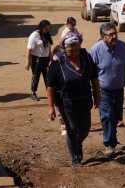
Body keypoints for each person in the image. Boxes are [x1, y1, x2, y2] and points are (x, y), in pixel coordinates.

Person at [46, 36, 100, 167]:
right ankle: (75, 156)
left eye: (76, 50)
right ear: (64, 49)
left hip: (84, 99)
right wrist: (50, 106)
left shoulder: (86, 59)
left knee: (85, 129)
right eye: (70, 51)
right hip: (66, 102)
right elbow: (50, 87)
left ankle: (77, 144)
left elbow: (94, 78)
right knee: (71, 128)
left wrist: (97, 96)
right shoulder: (57, 64)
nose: (74, 53)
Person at [89, 22, 125, 157]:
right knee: (107, 116)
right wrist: (94, 91)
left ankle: (112, 138)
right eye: (110, 35)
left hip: (119, 89)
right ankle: (109, 144)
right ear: (103, 37)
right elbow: (91, 73)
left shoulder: (123, 46)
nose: (114, 36)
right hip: (103, 90)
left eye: (115, 33)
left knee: (116, 115)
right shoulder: (95, 50)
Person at [26, 20, 53, 101]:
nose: (47, 30)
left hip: (46, 59)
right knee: (36, 76)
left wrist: (50, 57)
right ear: (41, 27)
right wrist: (28, 62)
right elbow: (29, 49)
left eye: (48, 29)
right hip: (37, 59)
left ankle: (50, 93)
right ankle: (33, 93)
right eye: (45, 28)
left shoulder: (46, 35)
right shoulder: (34, 35)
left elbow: (49, 47)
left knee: (48, 77)